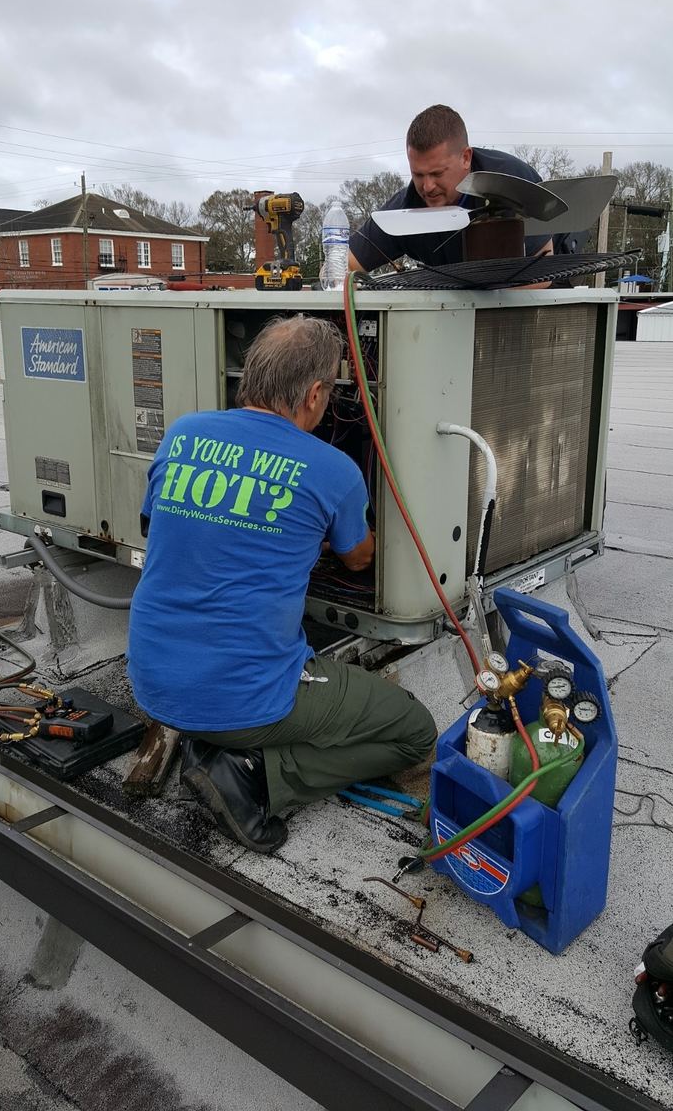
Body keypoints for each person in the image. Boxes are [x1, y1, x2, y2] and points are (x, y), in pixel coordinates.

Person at [127, 316, 436, 854]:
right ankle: (253, 772)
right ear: (315, 394)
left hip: (153, 681)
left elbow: (156, 527)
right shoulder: (332, 469)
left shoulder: (182, 433)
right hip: (246, 700)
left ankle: (218, 747)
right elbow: (360, 558)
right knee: (415, 731)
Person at [348, 104, 559, 273]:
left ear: (466, 158)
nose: (427, 187)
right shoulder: (405, 208)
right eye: (418, 175)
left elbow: (541, 273)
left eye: (437, 173)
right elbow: (343, 268)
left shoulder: (509, 181)